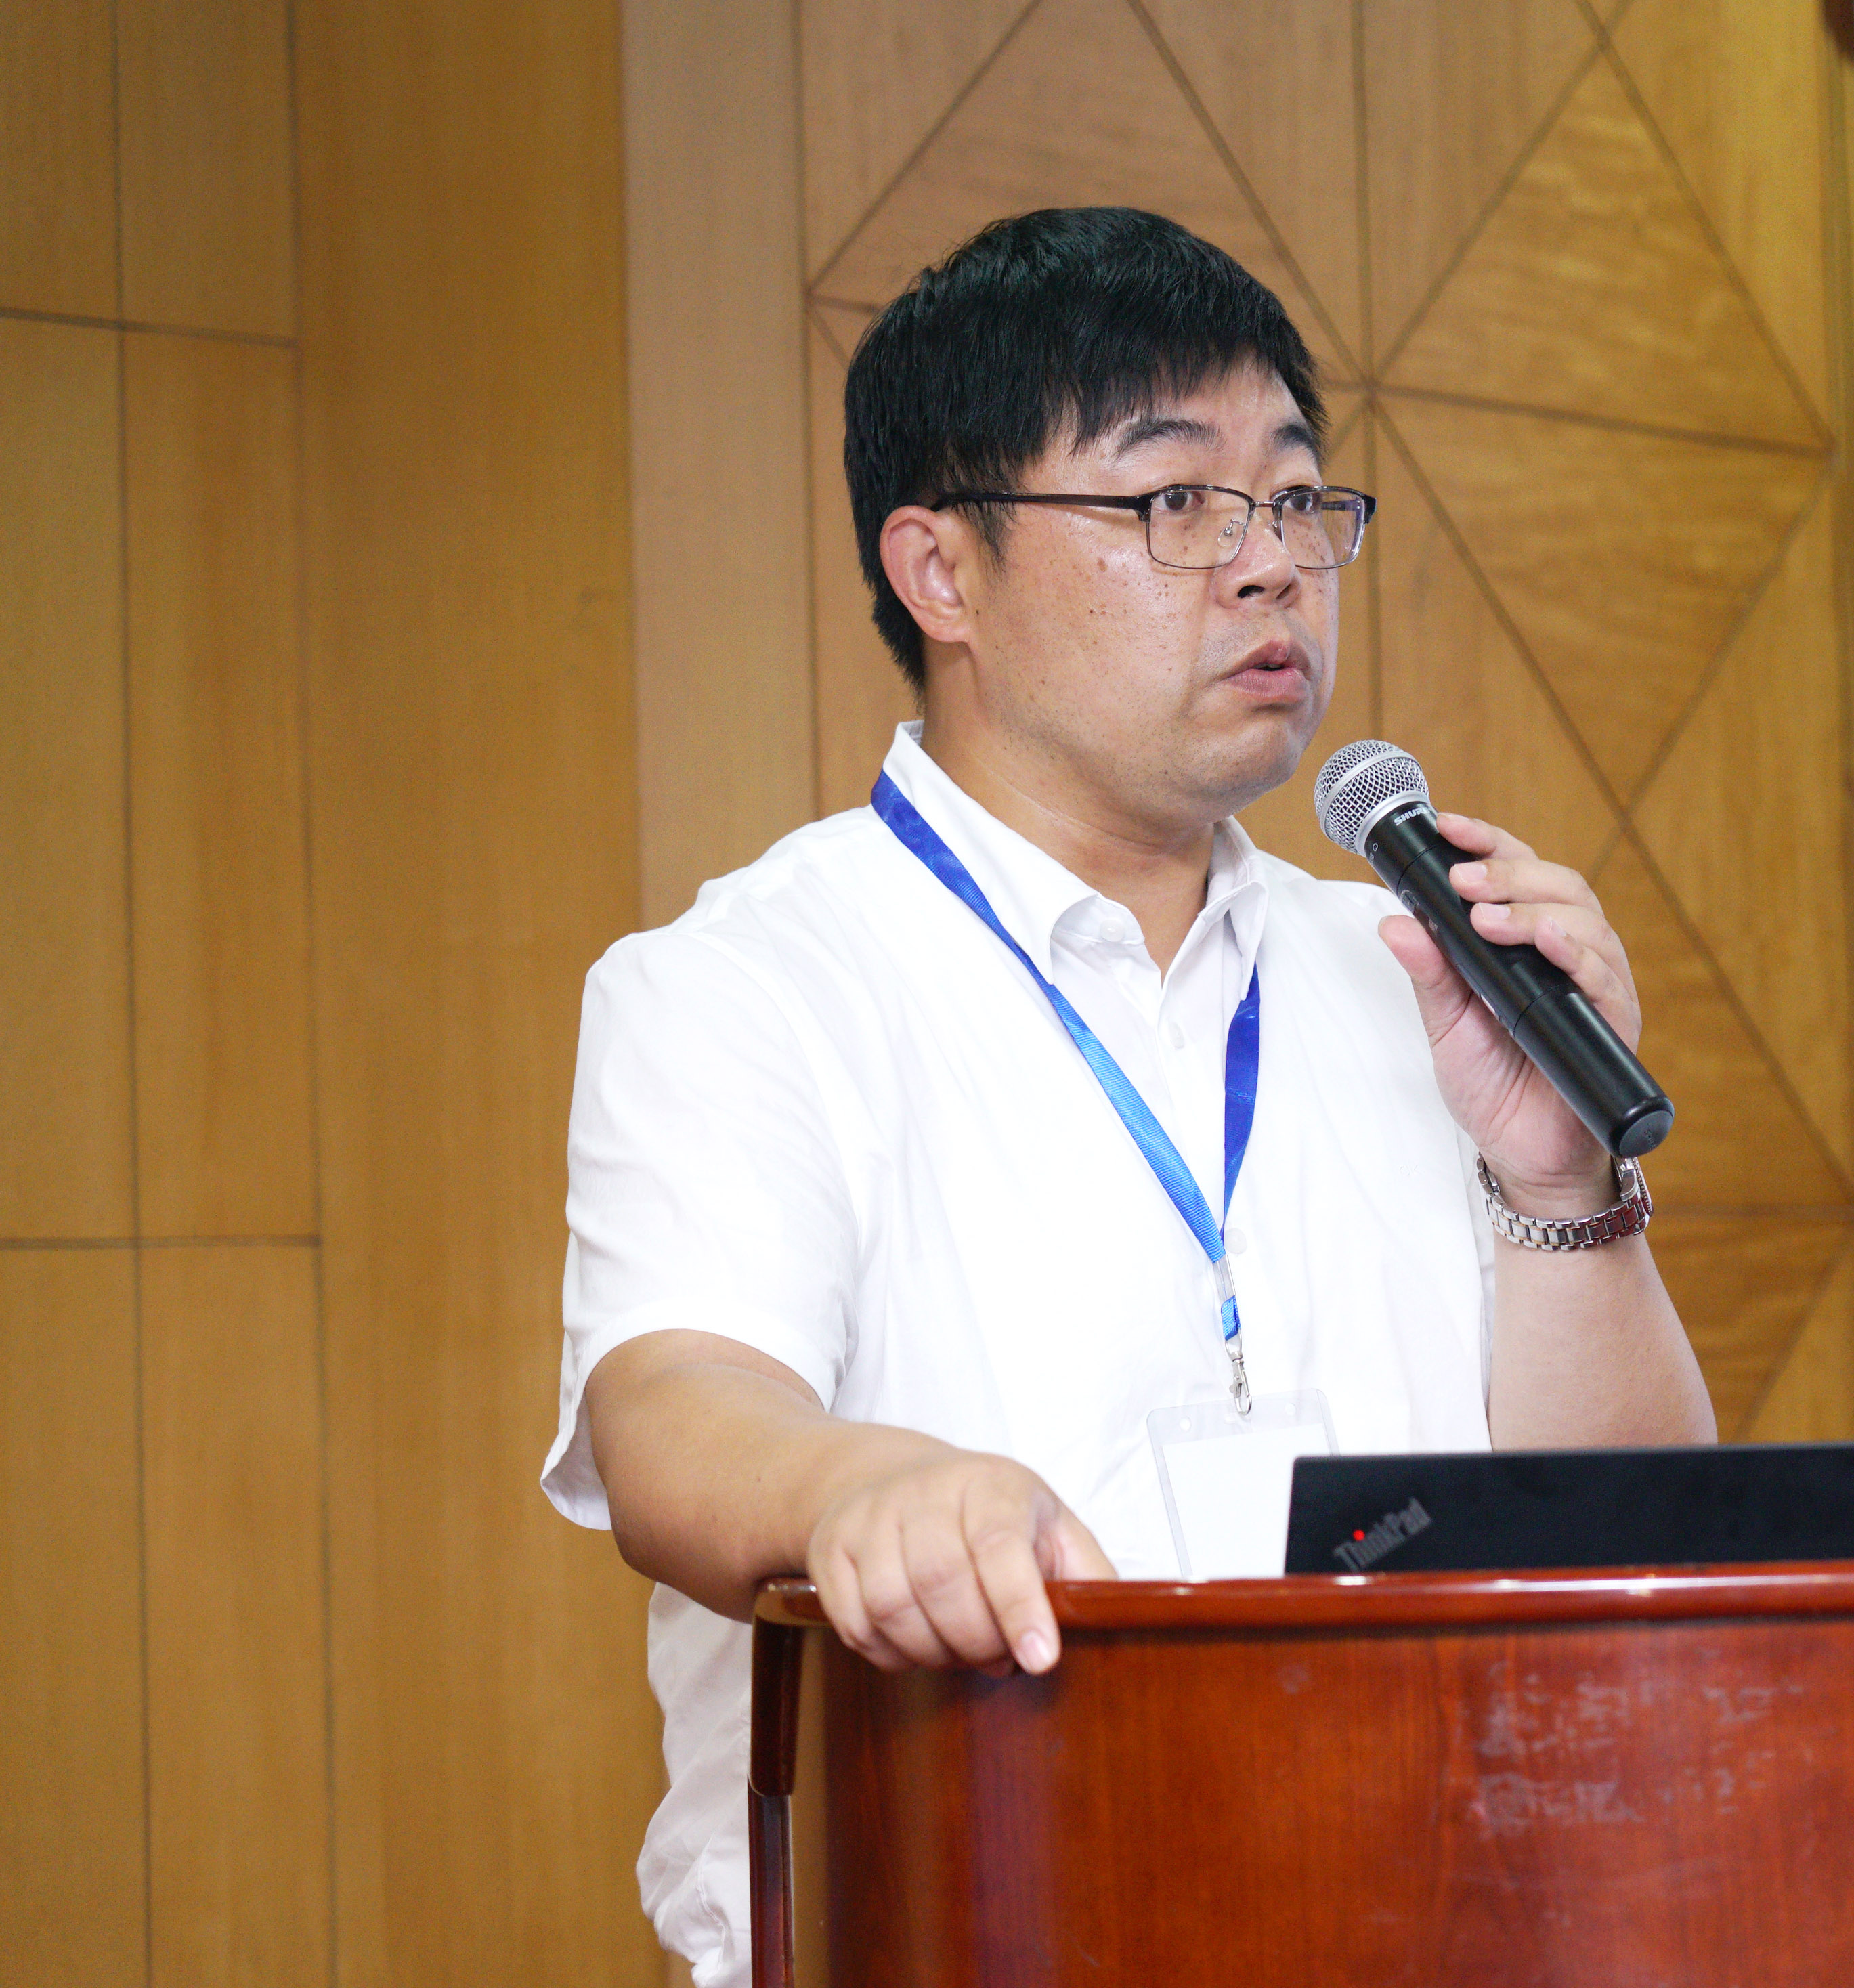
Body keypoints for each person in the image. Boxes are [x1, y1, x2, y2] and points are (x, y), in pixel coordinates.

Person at [540, 205, 1714, 1985]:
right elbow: (672, 1418)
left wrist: (1564, 1192)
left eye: (1298, 499)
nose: (1271, 566)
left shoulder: (1409, 968)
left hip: (1449, 1923)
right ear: (942, 573)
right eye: (1175, 502)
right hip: (976, 1923)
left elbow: (1633, 1544)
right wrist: (865, 1485)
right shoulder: (748, 981)